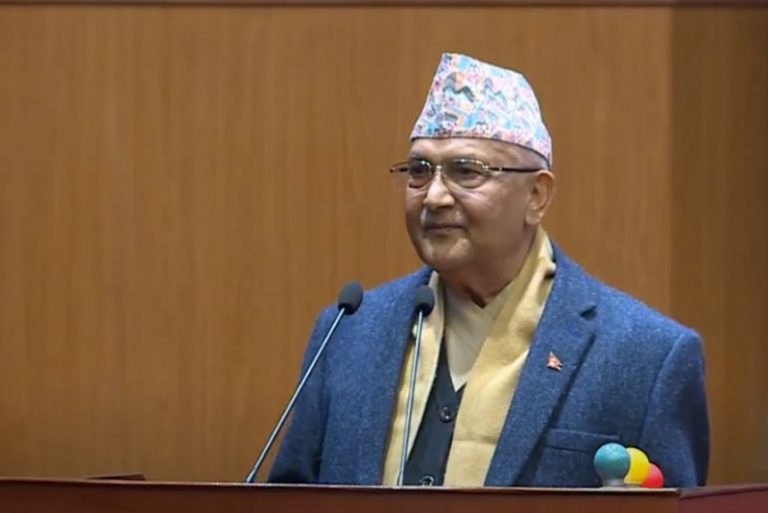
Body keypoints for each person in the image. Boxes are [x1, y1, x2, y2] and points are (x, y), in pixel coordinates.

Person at [268, 53, 708, 488]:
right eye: (419, 171)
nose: (434, 197)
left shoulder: (644, 356)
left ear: (536, 196)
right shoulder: (348, 331)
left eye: (466, 172)